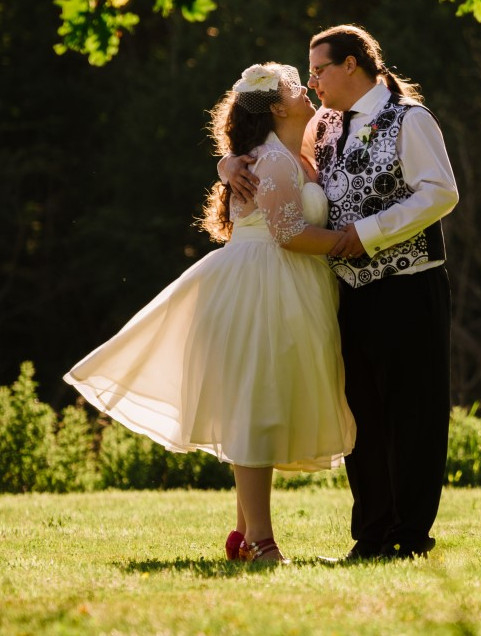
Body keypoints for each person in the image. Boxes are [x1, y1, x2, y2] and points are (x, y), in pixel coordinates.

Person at [64, 62, 356, 563]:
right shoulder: (278, 162)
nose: (306, 90)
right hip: (263, 284)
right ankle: (261, 542)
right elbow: (288, 234)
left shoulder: (292, 154)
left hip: (282, 282)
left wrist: (227, 162)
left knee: (260, 402)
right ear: (278, 107)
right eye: (294, 87)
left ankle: (244, 535)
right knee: (257, 408)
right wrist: (354, 243)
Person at [222, 25, 459, 561]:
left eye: (319, 69)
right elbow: (273, 156)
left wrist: (367, 235)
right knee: (364, 418)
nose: (312, 81)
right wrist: (229, 162)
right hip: (345, 293)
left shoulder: (409, 118)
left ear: (352, 64)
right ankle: (371, 537)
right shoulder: (324, 124)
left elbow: (441, 193)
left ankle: (410, 537)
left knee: (412, 416)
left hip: (407, 284)